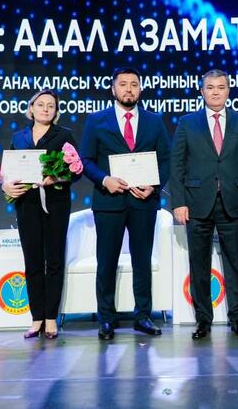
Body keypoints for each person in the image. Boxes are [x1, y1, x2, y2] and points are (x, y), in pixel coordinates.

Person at [81, 68, 171, 341]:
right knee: (106, 262)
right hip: (109, 201)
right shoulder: (96, 120)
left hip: (144, 201)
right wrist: (104, 179)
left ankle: (143, 316)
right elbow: (86, 160)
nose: (129, 89)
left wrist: (154, 185)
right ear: (113, 89)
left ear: (140, 89)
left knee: (142, 261)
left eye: (134, 84)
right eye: (123, 84)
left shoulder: (154, 121)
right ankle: (106, 319)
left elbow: (166, 160)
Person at [170, 69, 238, 340]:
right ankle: (203, 320)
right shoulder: (187, 123)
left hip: (233, 201)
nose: (216, 92)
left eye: (221, 87)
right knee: (199, 263)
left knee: (236, 263)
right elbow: (177, 164)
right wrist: (178, 202)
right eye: (210, 87)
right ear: (202, 91)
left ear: (228, 91)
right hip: (197, 202)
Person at [2, 89, 79, 340]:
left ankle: (51, 318)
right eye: (41, 104)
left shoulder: (64, 135)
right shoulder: (18, 137)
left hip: (55, 203)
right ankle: (36, 318)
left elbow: (77, 169)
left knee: (54, 260)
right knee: (32, 260)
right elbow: (8, 171)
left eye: (51, 106)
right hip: (26, 203)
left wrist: (57, 177)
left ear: (56, 111)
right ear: (31, 108)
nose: (46, 109)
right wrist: (6, 185)